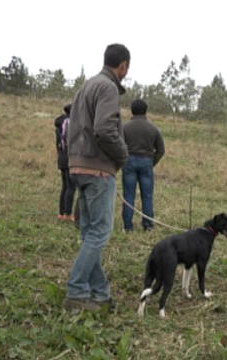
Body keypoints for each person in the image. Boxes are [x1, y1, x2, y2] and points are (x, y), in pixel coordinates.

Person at [63, 44, 130, 311]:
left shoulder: (86, 87)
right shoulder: (108, 87)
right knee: (99, 233)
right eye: (127, 68)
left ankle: (100, 294)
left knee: (90, 233)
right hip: (98, 168)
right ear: (123, 65)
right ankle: (77, 291)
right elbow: (104, 129)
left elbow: (74, 128)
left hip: (77, 166)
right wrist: (122, 156)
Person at [122, 99, 165, 232]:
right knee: (147, 196)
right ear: (146, 111)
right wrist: (152, 163)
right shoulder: (154, 128)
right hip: (147, 162)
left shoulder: (125, 127)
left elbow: (119, 146)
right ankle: (148, 226)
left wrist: (123, 161)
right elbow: (161, 150)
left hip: (129, 161)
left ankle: (128, 227)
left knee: (129, 195)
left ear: (132, 110)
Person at [54, 104, 76, 222]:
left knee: (65, 186)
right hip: (70, 157)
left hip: (61, 157)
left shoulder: (60, 124)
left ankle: (61, 213)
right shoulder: (70, 123)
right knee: (71, 187)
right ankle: (68, 214)